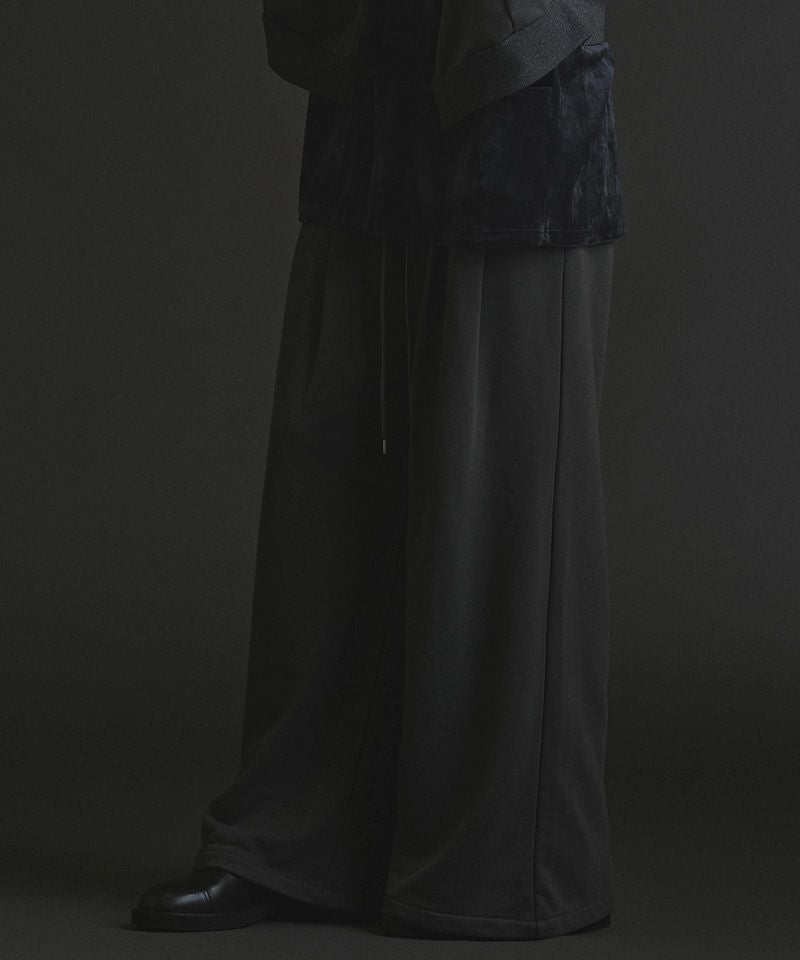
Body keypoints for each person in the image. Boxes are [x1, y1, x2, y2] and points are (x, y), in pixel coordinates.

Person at [131, 0, 625, 940]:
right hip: (367, 73)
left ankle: (498, 867)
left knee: (497, 487)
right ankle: (293, 846)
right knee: (328, 476)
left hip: (520, 84)